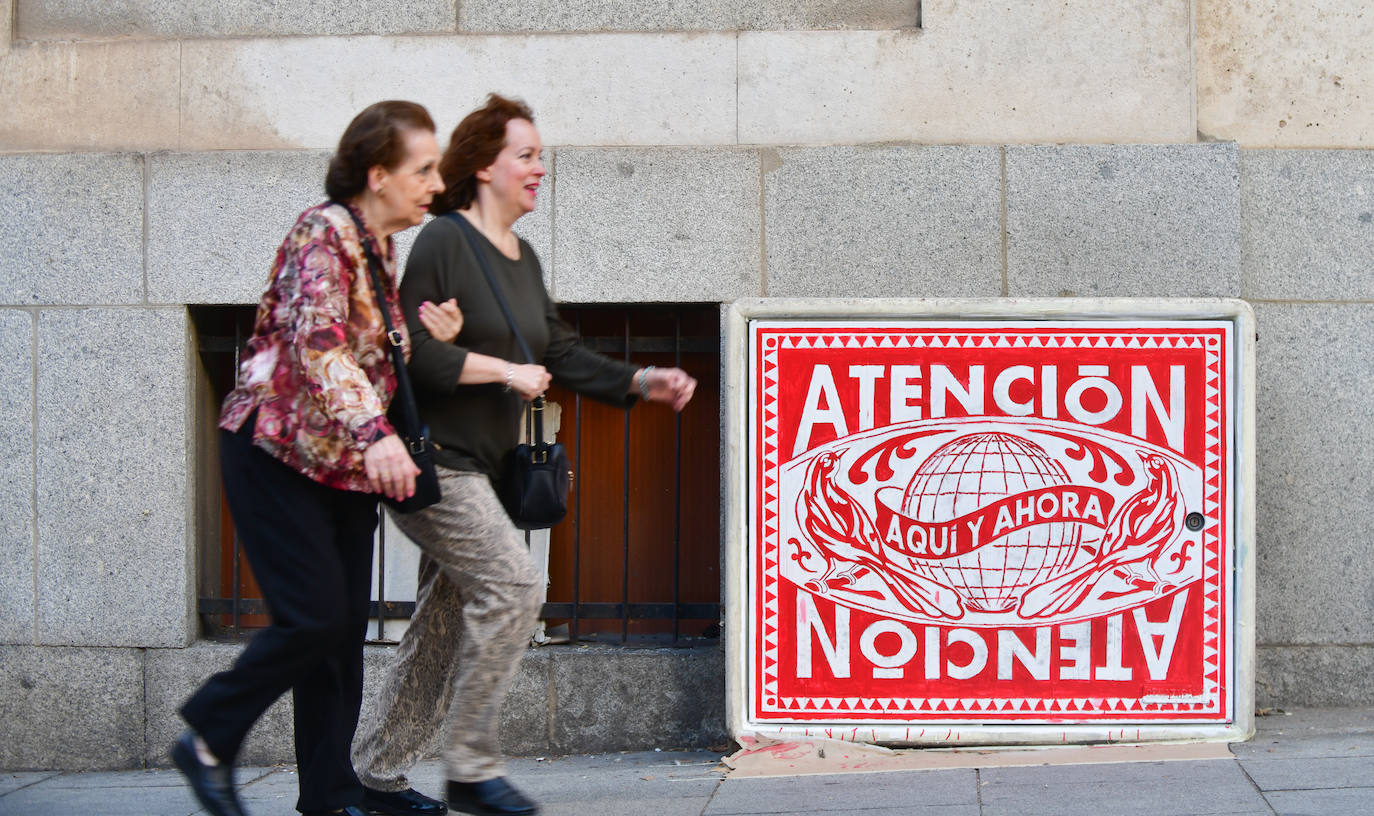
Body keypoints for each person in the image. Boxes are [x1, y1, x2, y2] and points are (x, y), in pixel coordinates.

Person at [350, 94, 697, 816]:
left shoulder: (522, 257)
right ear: (485, 165)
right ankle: (471, 768)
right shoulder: (445, 240)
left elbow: (559, 350)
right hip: (435, 464)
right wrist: (502, 371)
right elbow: (411, 363)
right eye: (527, 155)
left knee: (441, 627)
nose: (542, 168)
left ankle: (375, 775)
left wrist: (641, 380)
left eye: (541, 155)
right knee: (513, 585)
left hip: (484, 469)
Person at [171, 100, 451, 816]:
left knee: (340, 636)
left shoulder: (379, 248)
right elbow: (316, 345)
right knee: (315, 617)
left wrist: (420, 339)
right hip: (275, 452)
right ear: (378, 173)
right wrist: (377, 435)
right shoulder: (321, 232)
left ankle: (329, 795)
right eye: (423, 169)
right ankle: (209, 732)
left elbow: (366, 361)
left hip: (339, 467)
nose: (436, 182)